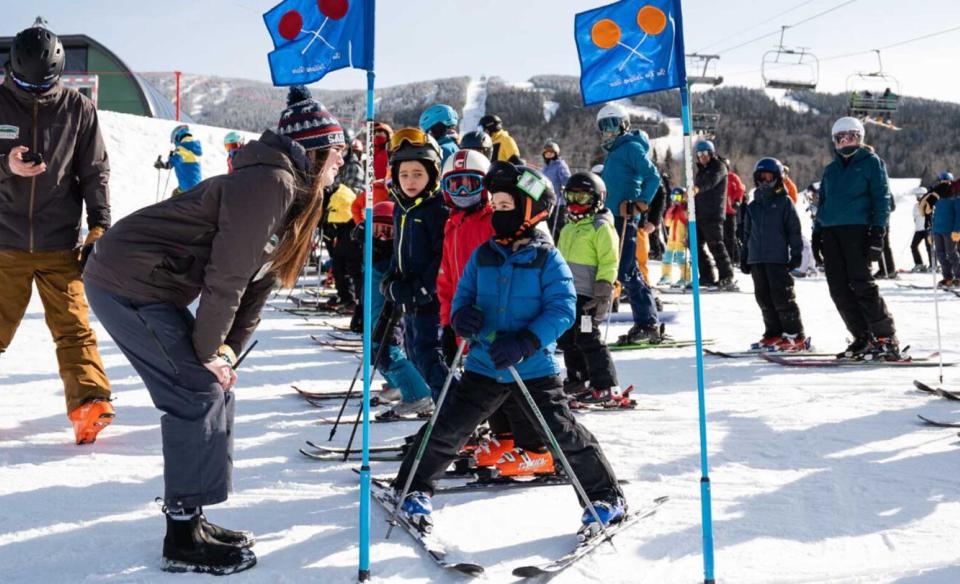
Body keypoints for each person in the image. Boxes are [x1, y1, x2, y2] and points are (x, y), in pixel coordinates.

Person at [83, 85, 345, 574]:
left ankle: (194, 519)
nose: (342, 162)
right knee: (194, 390)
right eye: (338, 151)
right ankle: (181, 537)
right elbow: (227, 275)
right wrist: (208, 356)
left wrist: (224, 352)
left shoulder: (295, 198)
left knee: (212, 388)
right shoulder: (270, 184)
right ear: (314, 150)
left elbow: (255, 287)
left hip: (150, 283)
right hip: (125, 278)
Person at [392, 161, 625, 538]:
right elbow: (462, 295)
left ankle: (604, 497)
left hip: (532, 366)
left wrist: (527, 341)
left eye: (506, 207)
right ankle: (413, 488)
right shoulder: (484, 254)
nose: (498, 214)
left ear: (529, 212)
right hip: (485, 363)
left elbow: (563, 308)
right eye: (496, 207)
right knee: (448, 428)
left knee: (562, 433)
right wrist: (463, 316)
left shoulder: (546, 257)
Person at [0, 23, 114, 445]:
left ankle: (89, 406)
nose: (33, 91)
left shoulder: (78, 110)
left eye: (43, 84)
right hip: (3, 243)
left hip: (59, 243)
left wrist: (100, 224)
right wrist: (5, 166)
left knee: (74, 328)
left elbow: (95, 172)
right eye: (25, 82)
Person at [435, 148, 551, 476]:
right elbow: (446, 280)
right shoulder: (451, 225)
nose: (462, 193)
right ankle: (505, 437)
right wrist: (448, 324)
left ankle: (536, 449)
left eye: (470, 185)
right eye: (454, 185)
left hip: (504, 320)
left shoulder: (496, 220)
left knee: (515, 386)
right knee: (487, 383)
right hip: (469, 323)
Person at [816, 116, 900, 360]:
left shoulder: (872, 162)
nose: (846, 142)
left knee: (861, 283)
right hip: (832, 232)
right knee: (838, 288)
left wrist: (878, 232)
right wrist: (817, 233)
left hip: (858, 230)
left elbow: (881, 198)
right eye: (840, 139)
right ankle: (862, 336)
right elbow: (824, 203)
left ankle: (885, 337)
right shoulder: (831, 169)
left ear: (860, 138)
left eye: (850, 137)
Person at [381, 128, 452, 400]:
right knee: (414, 353)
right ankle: (441, 407)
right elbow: (399, 250)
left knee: (429, 355)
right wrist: (390, 279)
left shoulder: (437, 210)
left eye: (418, 174)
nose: (410, 181)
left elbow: (441, 258)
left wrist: (421, 289)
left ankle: (451, 411)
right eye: (404, 174)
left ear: (432, 174)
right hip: (407, 301)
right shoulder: (402, 207)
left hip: (429, 302)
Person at [596, 102, 663, 344]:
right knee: (617, 269)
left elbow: (653, 177)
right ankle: (644, 321)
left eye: (612, 125)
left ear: (624, 125)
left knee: (626, 270)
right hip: (610, 217)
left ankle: (648, 322)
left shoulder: (631, 147)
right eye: (603, 127)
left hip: (624, 218)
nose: (608, 131)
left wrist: (641, 204)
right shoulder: (615, 151)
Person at [556, 172, 624, 403]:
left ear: (596, 200)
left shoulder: (600, 227)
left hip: (589, 298)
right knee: (566, 339)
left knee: (588, 338)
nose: (575, 203)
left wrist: (604, 290)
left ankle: (604, 385)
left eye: (582, 198)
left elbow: (609, 261)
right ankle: (578, 379)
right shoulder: (567, 229)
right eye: (571, 197)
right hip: (566, 296)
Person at [365, 200, 435, 420]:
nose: (382, 237)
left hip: (389, 315)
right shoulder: (373, 252)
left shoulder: (395, 256)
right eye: (377, 231)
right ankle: (398, 386)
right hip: (372, 314)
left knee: (386, 353)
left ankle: (419, 395)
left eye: (388, 231)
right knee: (373, 353)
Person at [740, 158, 806, 352]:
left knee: (782, 297)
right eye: (762, 178)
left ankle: (795, 335)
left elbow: (794, 230)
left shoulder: (784, 202)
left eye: (770, 178)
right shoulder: (753, 206)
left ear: (777, 179)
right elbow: (746, 234)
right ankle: (773, 333)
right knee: (763, 298)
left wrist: (796, 253)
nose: (765, 182)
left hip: (777, 258)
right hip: (756, 258)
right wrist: (744, 256)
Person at [693, 139, 736, 290]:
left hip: (713, 213)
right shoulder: (701, 171)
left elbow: (711, 182)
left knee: (715, 245)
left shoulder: (719, 167)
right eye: (699, 154)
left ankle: (727, 276)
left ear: (711, 153)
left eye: (705, 153)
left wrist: (697, 188)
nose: (702, 156)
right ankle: (706, 275)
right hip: (700, 214)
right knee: (695, 246)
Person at [155, 124, 203, 195]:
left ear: (178, 138)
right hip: (194, 186)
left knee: (174, 201)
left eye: (174, 142)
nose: (175, 145)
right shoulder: (192, 148)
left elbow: (178, 158)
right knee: (175, 193)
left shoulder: (183, 148)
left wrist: (165, 164)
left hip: (188, 189)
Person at [658, 187, 692, 288]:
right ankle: (666, 276)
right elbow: (667, 224)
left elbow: (688, 224)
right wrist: (669, 213)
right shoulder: (674, 209)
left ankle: (685, 277)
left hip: (680, 239)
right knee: (667, 257)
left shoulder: (685, 209)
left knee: (681, 258)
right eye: (673, 197)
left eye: (678, 197)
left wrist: (687, 237)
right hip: (671, 238)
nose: (675, 200)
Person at [931, 177, 960, 288]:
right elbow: (934, 216)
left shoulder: (956, 200)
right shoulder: (937, 200)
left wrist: (957, 230)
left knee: (951, 254)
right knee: (941, 255)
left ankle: (958, 277)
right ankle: (947, 277)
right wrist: (931, 231)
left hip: (949, 231)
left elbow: (958, 216)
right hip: (937, 230)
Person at [541, 140, 571, 237]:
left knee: (558, 225)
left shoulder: (560, 165)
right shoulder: (545, 167)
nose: (549, 155)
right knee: (548, 224)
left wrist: (564, 186)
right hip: (548, 201)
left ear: (556, 154)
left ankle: (561, 243)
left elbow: (567, 178)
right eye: (547, 153)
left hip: (559, 201)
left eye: (551, 153)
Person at [723, 163, 746, 264]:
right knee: (721, 237)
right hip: (719, 212)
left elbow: (740, 189)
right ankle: (727, 258)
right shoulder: (716, 178)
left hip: (730, 211)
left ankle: (735, 258)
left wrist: (737, 200)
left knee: (731, 236)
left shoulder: (732, 177)